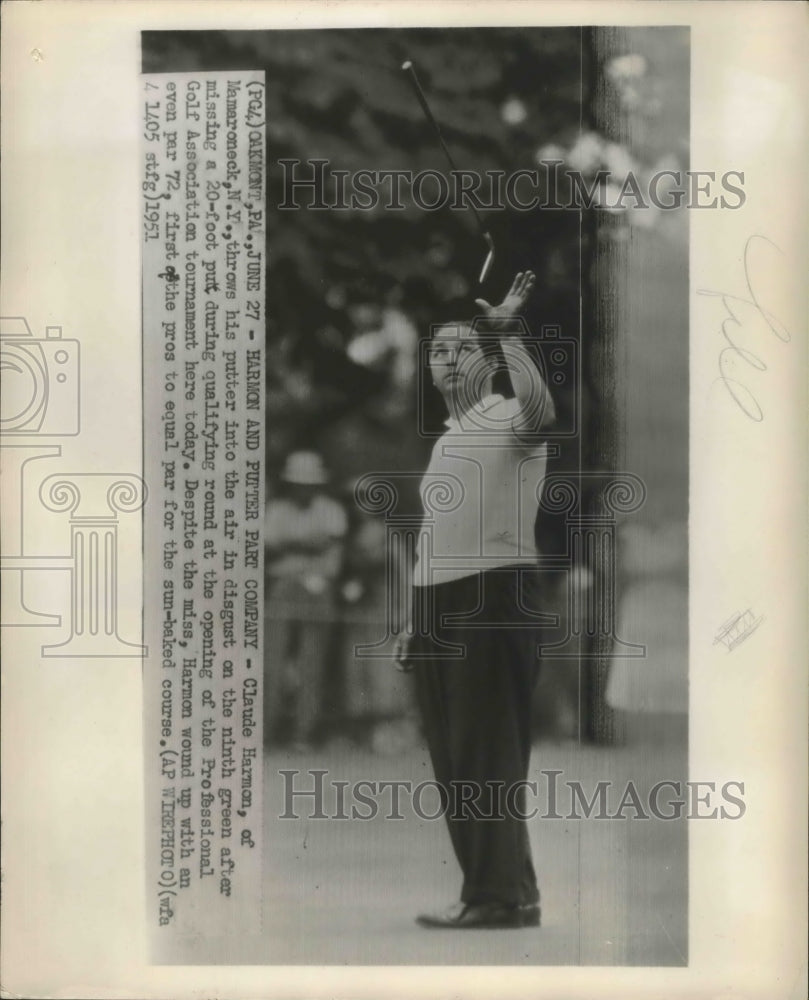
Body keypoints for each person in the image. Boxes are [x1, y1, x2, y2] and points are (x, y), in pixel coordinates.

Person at [394, 271, 556, 929]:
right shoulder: (446, 441)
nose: (449, 358)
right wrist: (413, 618)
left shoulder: (506, 416)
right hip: (439, 602)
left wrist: (506, 334)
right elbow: (435, 534)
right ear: (429, 371)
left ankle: (497, 898)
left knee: (486, 749)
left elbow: (545, 413)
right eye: (439, 350)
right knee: (455, 754)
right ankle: (501, 889)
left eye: (464, 348)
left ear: (488, 365)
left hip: (494, 594)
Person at [264, 450, 347, 747]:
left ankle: (304, 733)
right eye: (298, 483)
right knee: (273, 661)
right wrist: (308, 545)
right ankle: (267, 732)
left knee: (311, 663)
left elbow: (330, 545)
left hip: (318, 586)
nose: (303, 488)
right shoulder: (277, 509)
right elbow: (270, 547)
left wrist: (293, 545)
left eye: (309, 483)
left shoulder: (331, 509)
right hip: (284, 584)